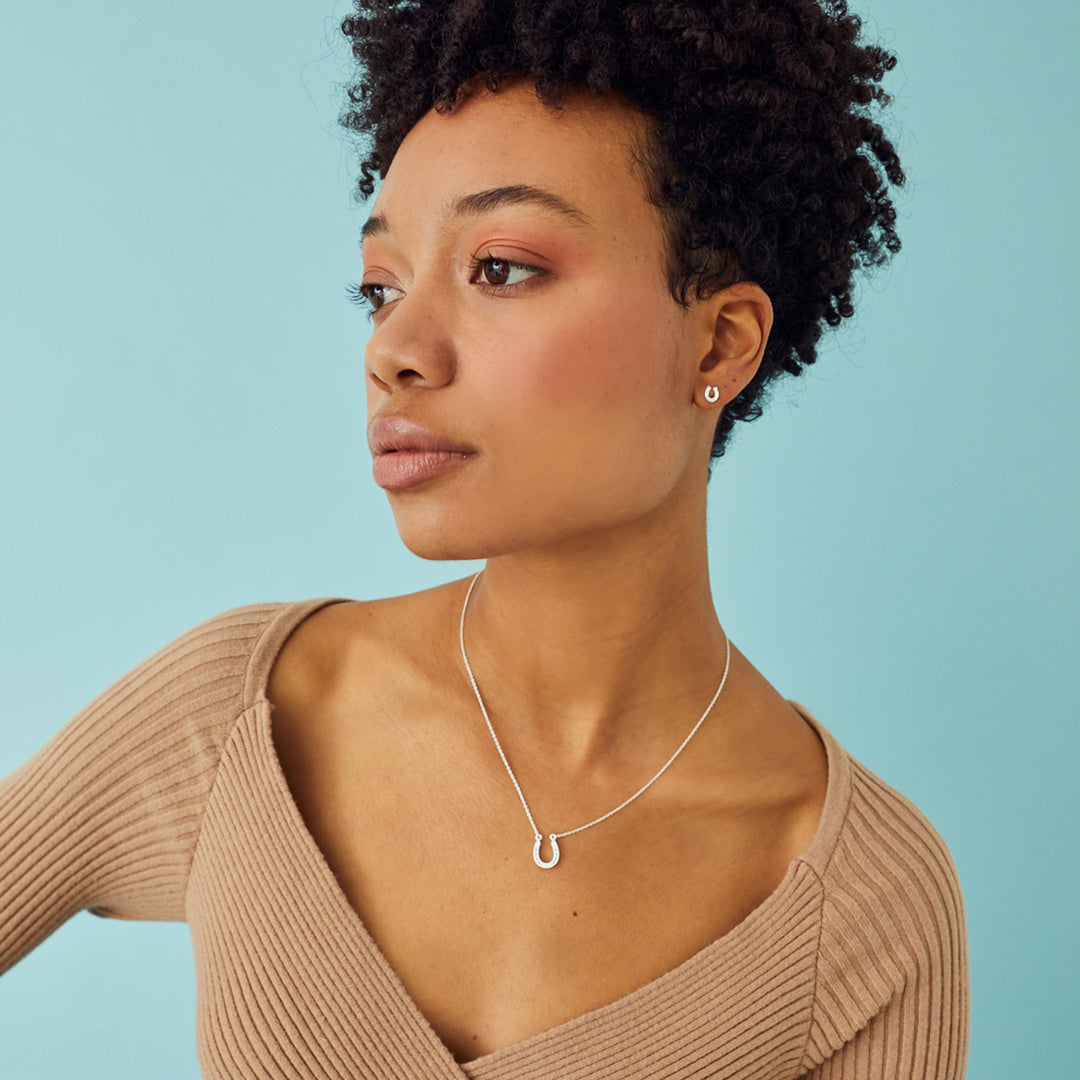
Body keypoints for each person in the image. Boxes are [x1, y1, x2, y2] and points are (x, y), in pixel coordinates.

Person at [0, 1, 969, 1077]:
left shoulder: (865, 903)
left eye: (500, 268)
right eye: (381, 285)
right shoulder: (245, 715)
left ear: (722, 340)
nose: (395, 350)